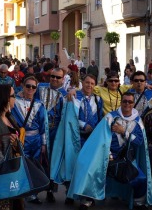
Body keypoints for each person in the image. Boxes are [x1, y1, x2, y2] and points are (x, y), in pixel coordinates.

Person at [67, 92, 152, 210]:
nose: (127, 104)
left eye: (130, 102)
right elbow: (99, 138)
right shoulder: (110, 117)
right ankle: (87, 199)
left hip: (127, 159)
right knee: (88, 170)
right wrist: (107, 154)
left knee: (141, 179)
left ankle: (137, 202)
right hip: (106, 156)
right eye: (124, 101)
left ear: (133, 103)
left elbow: (138, 142)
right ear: (121, 102)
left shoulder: (138, 122)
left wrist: (124, 132)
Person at [51, 74, 103, 205]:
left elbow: (100, 115)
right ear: (82, 83)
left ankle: (86, 195)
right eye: (87, 82)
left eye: (92, 83)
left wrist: (96, 130)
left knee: (88, 166)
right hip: (75, 137)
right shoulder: (73, 96)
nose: (89, 85)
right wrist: (84, 125)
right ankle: (71, 193)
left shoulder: (97, 99)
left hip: (91, 138)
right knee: (73, 165)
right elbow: (70, 116)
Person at [11, 76, 49, 204]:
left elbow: (43, 126)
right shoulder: (14, 101)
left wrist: (43, 144)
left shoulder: (39, 104)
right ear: (22, 85)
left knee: (35, 166)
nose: (30, 89)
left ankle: (33, 193)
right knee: (21, 165)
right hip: (21, 139)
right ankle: (21, 193)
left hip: (36, 140)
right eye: (28, 86)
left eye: (33, 87)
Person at [35, 68, 67, 202]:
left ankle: (50, 190)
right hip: (38, 130)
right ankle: (33, 191)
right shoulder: (40, 87)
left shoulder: (65, 94)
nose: (54, 79)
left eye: (58, 77)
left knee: (52, 161)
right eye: (52, 76)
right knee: (36, 159)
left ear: (63, 79)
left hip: (54, 133)